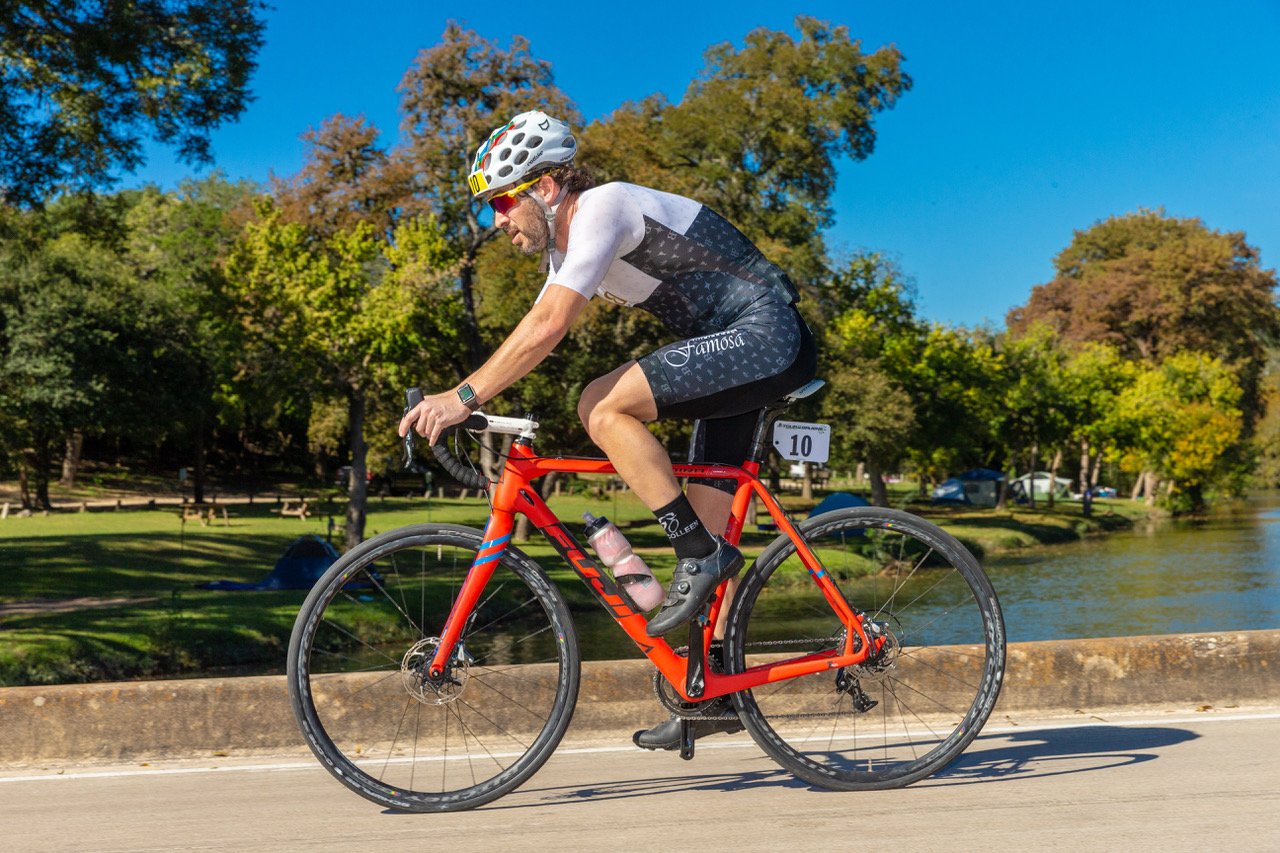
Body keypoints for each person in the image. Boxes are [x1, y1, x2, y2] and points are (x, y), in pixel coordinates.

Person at [399, 110, 817, 750]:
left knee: (601, 407)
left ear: (544, 188)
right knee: (700, 524)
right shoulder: (566, 247)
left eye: (502, 202)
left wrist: (462, 398)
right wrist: (478, 398)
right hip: (737, 352)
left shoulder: (603, 206)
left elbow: (548, 328)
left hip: (765, 336)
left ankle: (698, 555)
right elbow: (536, 328)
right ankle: (713, 692)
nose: (496, 221)